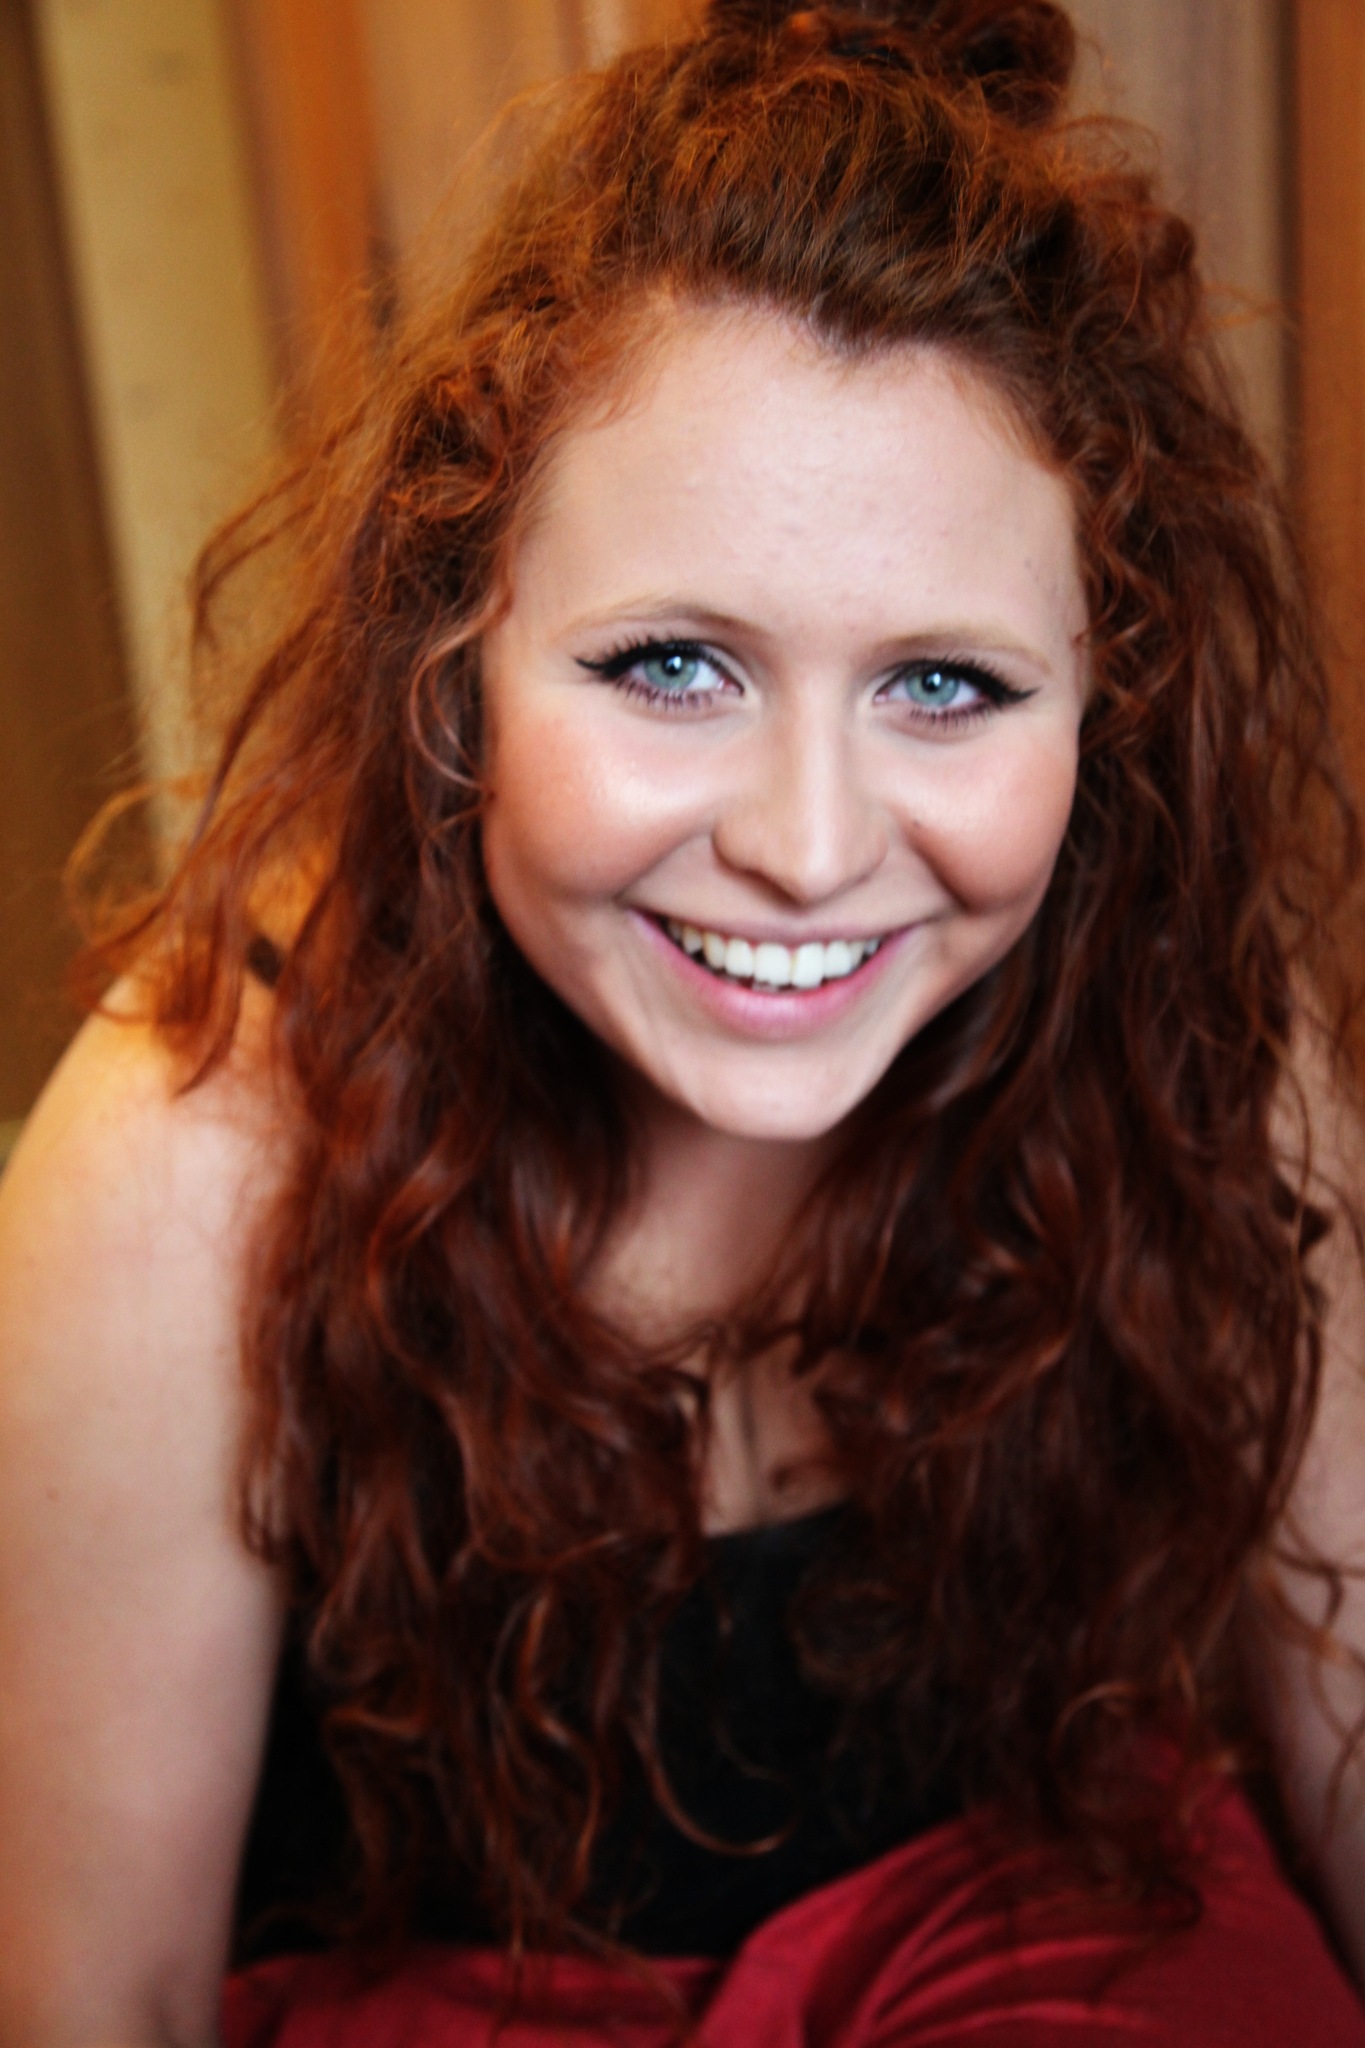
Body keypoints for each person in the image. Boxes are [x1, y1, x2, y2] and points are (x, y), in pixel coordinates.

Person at [3, 0, 1365, 2041]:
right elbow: (95, 1996)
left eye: (944, 686)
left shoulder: (1186, 1044)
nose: (806, 850)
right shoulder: (192, 1150)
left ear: (1108, 696)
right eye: (668, 667)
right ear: (455, 657)